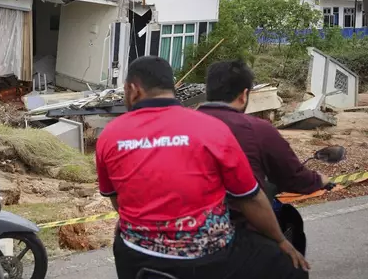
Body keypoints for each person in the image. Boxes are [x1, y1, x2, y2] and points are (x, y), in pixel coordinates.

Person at [96, 56, 309, 279]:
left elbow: (116, 200)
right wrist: (281, 241)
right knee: (291, 268)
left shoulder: (110, 135)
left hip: (137, 255)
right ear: (172, 88)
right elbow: (250, 199)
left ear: (133, 89)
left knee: (121, 236)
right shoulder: (213, 128)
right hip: (208, 257)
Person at [198, 60, 328, 196]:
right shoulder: (258, 130)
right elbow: (293, 177)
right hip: (239, 215)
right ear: (244, 95)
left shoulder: (181, 125)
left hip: (185, 213)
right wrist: (319, 179)